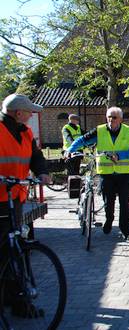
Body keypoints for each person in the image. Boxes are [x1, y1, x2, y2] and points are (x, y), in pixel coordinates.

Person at [0, 94, 51, 318]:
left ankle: (19, 303)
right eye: (29, 111)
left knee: (16, 249)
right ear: (18, 113)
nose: (32, 115)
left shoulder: (26, 132)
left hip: (16, 198)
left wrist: (42, 172)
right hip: (0, 200)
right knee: (4, 252)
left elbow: (36, 156)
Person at [66, 107, 129, 240]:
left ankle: (126, 230)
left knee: (124, 203)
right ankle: (109, 220)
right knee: (108, 202)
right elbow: (83, 140)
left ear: (121, 119)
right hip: (106, 174)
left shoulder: (128, 131)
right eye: (109, 117)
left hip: (124, 174)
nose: (111, 120)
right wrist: (70, 149)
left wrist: (120, 155)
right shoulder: (99, 130)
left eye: (114, 117)